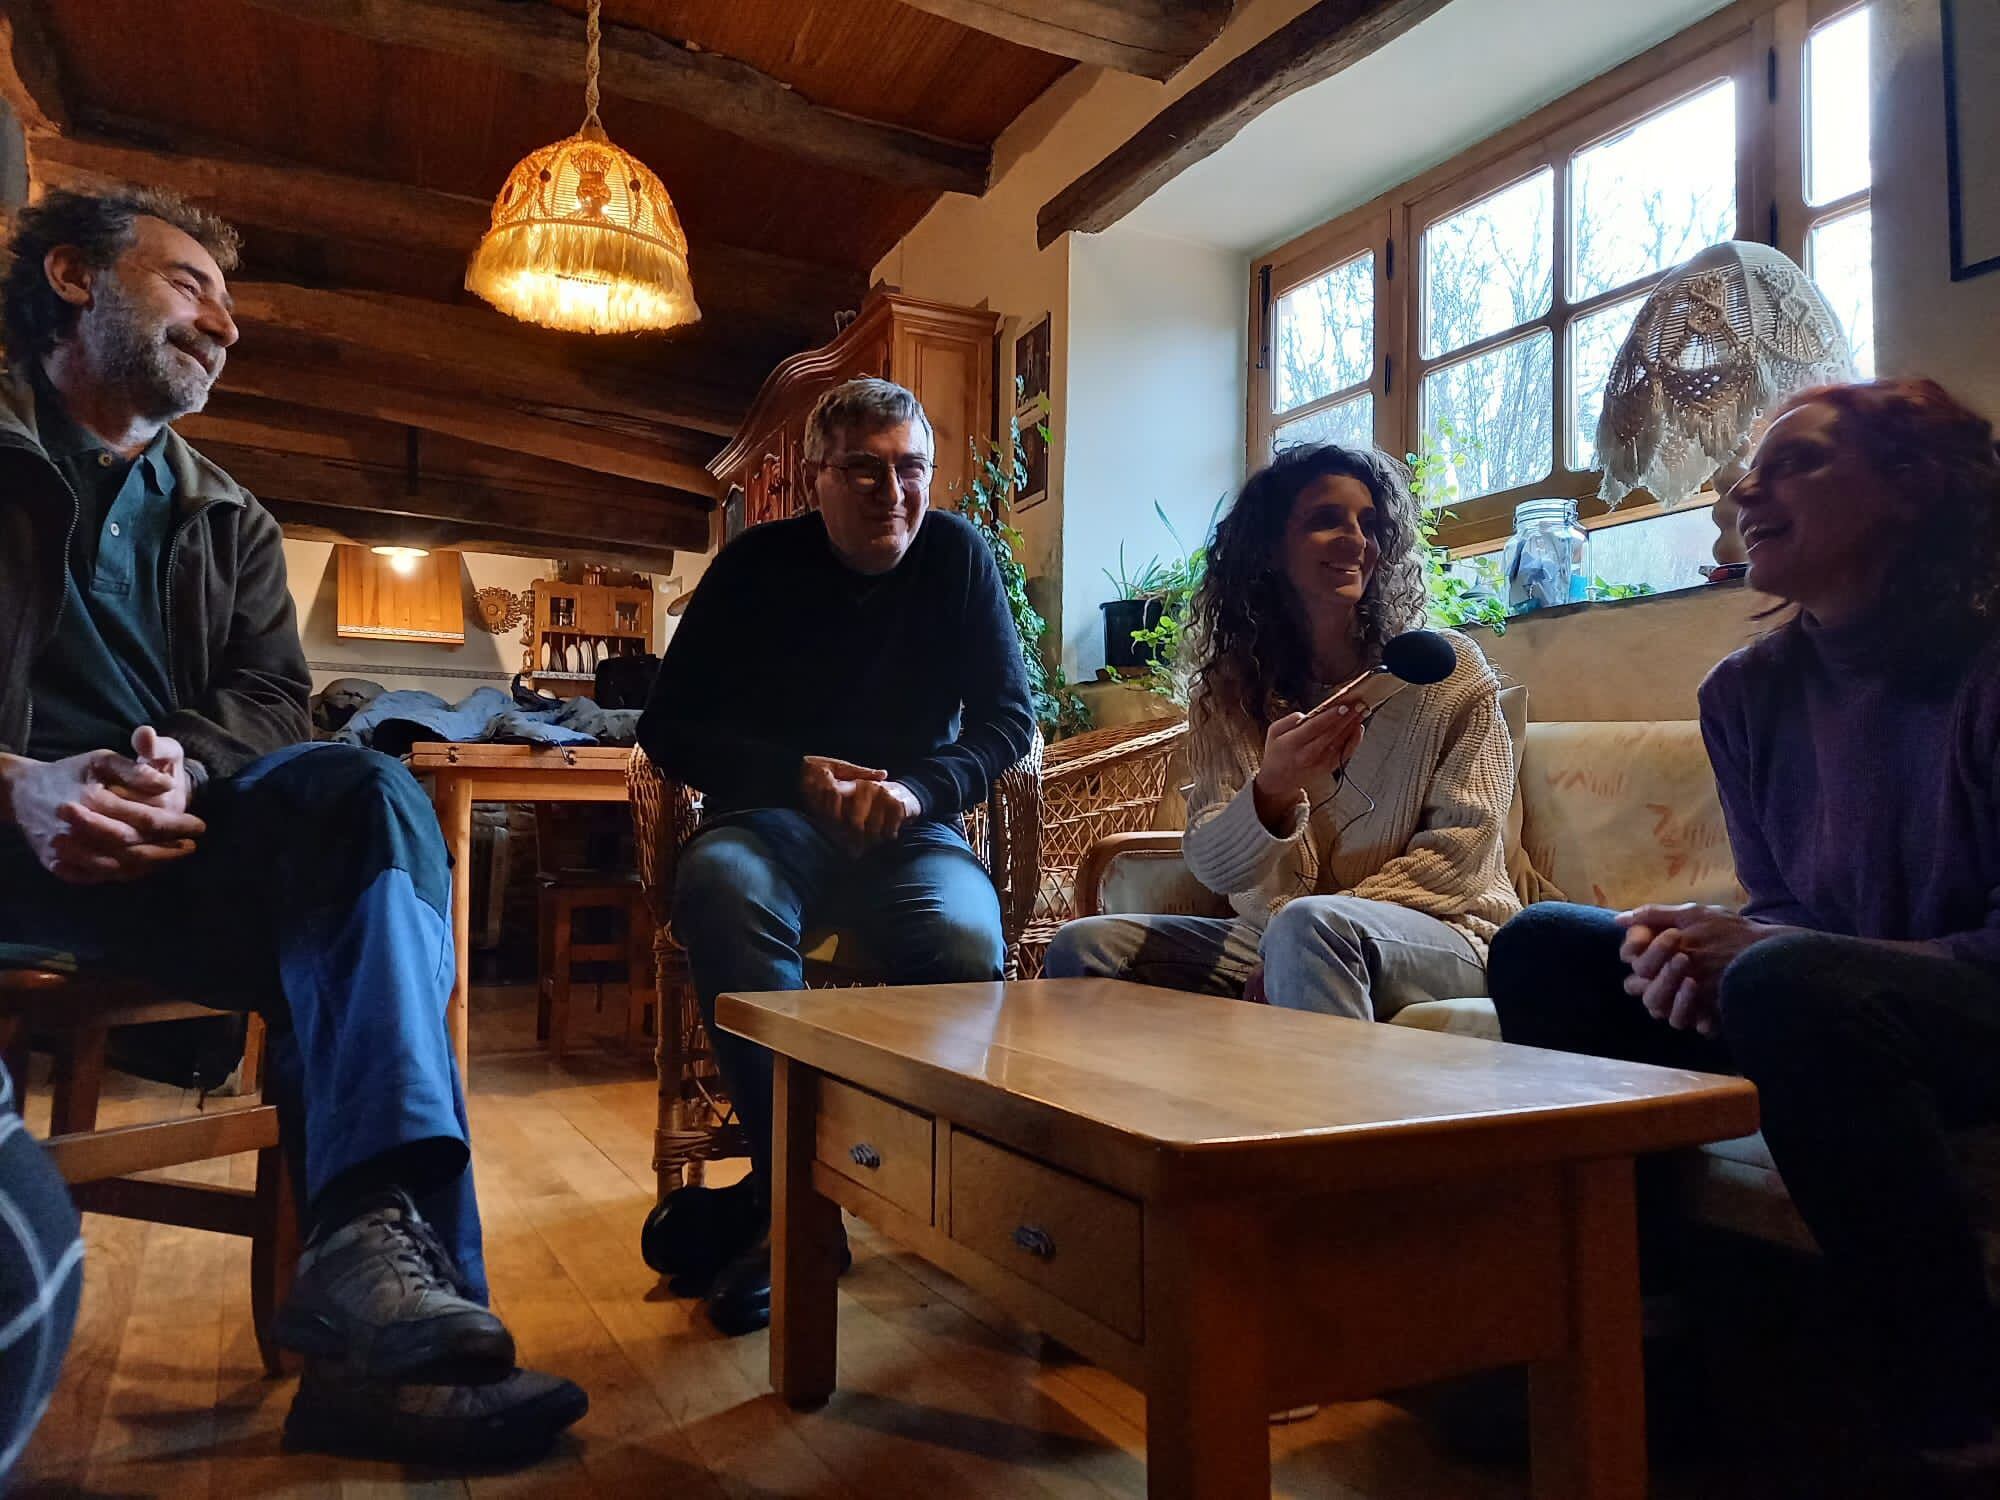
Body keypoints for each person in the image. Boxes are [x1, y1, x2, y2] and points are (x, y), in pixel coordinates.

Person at [0, 189, 584, 1464]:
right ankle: (395, 1347)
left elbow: (273, 697)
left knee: (367, 790)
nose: (225, 324)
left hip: (162, 854)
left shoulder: (230, 516)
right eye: (190, 284)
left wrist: (179, 772)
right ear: (69, 277)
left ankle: (370, 1255)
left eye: (228, 299)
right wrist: (16, 785)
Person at [1487, 378, 2000, 1478]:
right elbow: (1783, 911)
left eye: (1794, 462)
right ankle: (1639, 1351)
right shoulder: (1746, 693)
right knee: (1550, 946)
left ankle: (1953, 1414)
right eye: (1743, 470)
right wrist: (1692, 954)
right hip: (1826, 1013)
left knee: (1778, 983)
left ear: (1909, 489)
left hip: (1968, 1012)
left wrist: (1762, 958)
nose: (1740, 490)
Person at [637, 377, 1035, 1335]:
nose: (890, 493)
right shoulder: (753, 566)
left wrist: (921, 790)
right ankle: (796, 1205)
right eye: (862, 470)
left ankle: (858, 1184)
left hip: (914, 829)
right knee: (726, 889)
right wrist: (793, 776)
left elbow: (1009, 721)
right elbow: (667, 727)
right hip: (770, 824)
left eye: (910, 470)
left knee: (964, 937)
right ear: (812, 480)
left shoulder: (960, 559)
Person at [1046, 442, 1519, 1018]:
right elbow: (1216, 867)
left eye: (1369, 525)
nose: (1356, 541)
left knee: (1308, 928)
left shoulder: (1447, 672)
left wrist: (1299, 929)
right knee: (1086, 946)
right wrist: (1270, 791)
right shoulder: (1229, 695)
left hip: (1446, 933)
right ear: (1270, 549)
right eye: (1326, 520)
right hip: (1287, 933)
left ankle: (1315, 1110)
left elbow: (1462, 851)